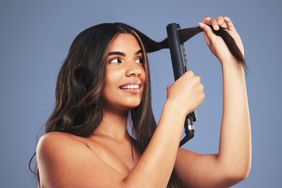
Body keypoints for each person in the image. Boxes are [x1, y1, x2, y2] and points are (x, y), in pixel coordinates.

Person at [35, 16, 251, 188]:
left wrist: (232, 63)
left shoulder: (148, 150)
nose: (135, 71)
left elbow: (231, 168)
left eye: (139, 60)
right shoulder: (55, 146)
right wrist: (175, 109)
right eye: (116, 60)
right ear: (85, 74)